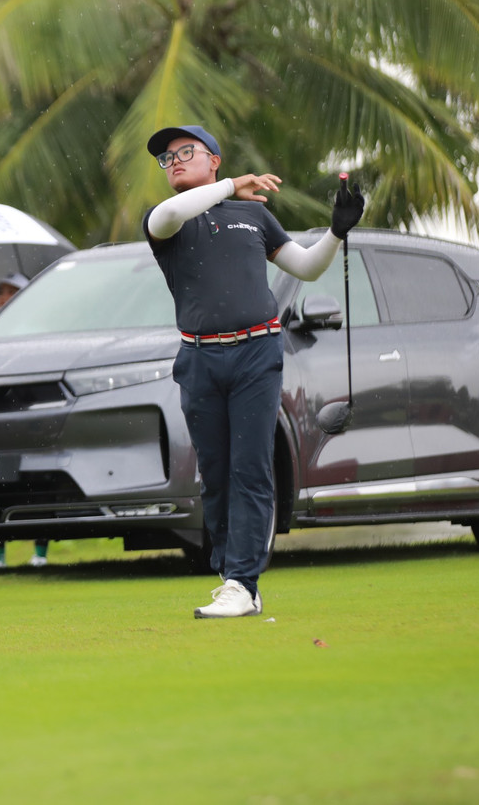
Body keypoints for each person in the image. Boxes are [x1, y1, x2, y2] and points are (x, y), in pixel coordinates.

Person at [143, 124, 363, 618]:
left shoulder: (253, 215)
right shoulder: (167, 221)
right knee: (216, 475)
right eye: (166, 158)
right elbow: (170, 212)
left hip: (256, 353)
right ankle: (234, 579)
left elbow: (305, 267)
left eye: (186, 152)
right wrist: (229, 185)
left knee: (251, 468)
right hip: (199, 358)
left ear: (214, 159)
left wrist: (335, 232)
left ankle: (242, 581)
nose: (174, 161)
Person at [0, 273, 50, 571]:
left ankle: (40, 553)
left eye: (11, 292)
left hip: (30, 419)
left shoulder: (41, 332)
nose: (4, 298)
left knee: (37, 484)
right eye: (0, 293)